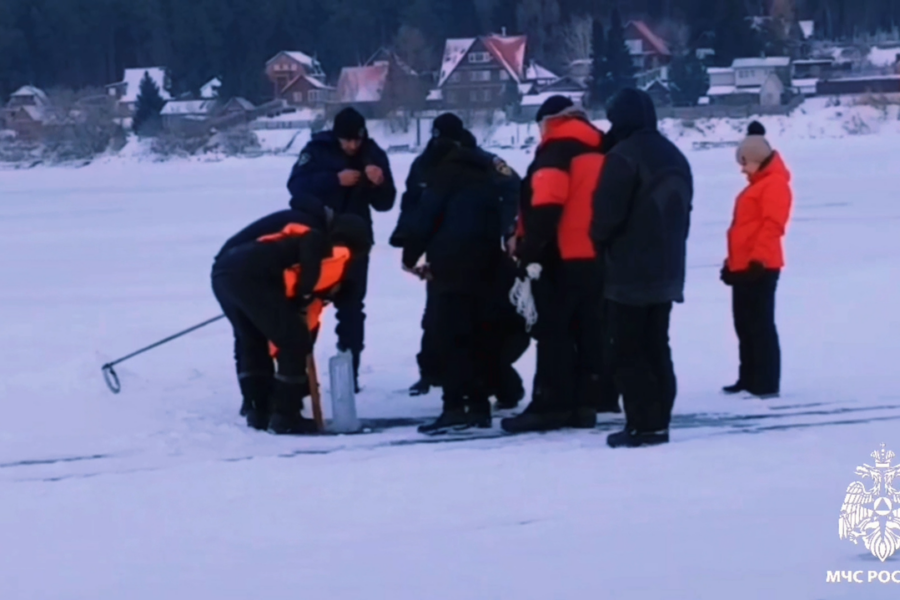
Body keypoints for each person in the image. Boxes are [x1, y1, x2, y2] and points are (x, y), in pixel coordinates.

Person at [389, 113, 522, 404]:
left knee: (459, 324)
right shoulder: (426, 165)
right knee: (449, 321)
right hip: (457, 255)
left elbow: (514, 190)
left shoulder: (482, 162)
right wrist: (405, 238)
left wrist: (508, 229)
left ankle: (474, 393)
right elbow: (412, 203)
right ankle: (439, 375)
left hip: (462, 256)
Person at [500, 95, 613, 434]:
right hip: (595, 253)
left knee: (553, 332)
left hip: (559, 255)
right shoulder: (600, 149)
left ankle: (550, 402)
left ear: (548, 121)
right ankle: (584, 403)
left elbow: (547, 205)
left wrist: (529, 249)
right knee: (587, 329)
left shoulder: (556, 150)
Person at [591, 88, 693, 448]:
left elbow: (605, 216)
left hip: (628, 271)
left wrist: (599, 245)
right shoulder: (675, 156)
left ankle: (642, 424)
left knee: (626, 349)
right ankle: (658, 420)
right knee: (657, 346)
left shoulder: (622, 156)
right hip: (668, 268)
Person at [211, 210, 372, 434]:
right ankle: (286, 416)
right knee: (294, 342)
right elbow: (310, 249)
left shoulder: (302, 240)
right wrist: (305, 295)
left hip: (223, 272)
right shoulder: (324, 247)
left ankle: (259, 410)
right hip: (251, 274)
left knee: (252, 339)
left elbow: (296, 304)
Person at [287, 107, 396, 391]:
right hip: (317, 242)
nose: (352, 146)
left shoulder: (373, 154)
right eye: (346, 141)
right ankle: (298, 375)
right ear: (336, 137)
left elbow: (386, 203)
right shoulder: (317, 150)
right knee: (307, 305)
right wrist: (334, 180)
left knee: (351, 310)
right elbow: (296, 187)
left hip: (356, 244)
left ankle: (350, 375)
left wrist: (379, 182)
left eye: (356, 141)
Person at [720, 121, 792, 399]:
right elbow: (742, 230)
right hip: (745, 266)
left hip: (762, 266)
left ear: (758, 160)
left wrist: (758, 261)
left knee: (760, 324)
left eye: (745, 162)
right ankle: (748, 376)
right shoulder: (756, 186)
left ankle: (765, 381)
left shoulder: (774, 185)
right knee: (744, 323)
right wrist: (732, 263)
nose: (742, 168)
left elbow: (772, 225)